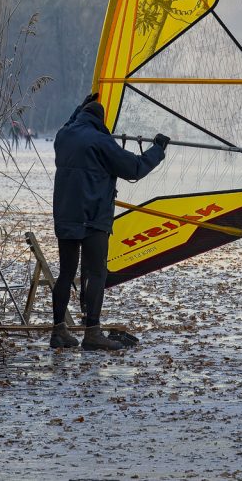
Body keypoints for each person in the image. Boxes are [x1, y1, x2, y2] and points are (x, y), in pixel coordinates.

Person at [50, 93, 167, 351]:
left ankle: (58, 331)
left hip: (66, 215)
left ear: (82, 115)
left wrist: (77, 107)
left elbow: (70, 123)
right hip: (94, 218)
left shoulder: (64, 136)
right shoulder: (101, 141)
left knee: (66, 272)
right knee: (96, 273)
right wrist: (158, 149)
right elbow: (135, 168)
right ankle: (92, 332)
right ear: (101, 120)